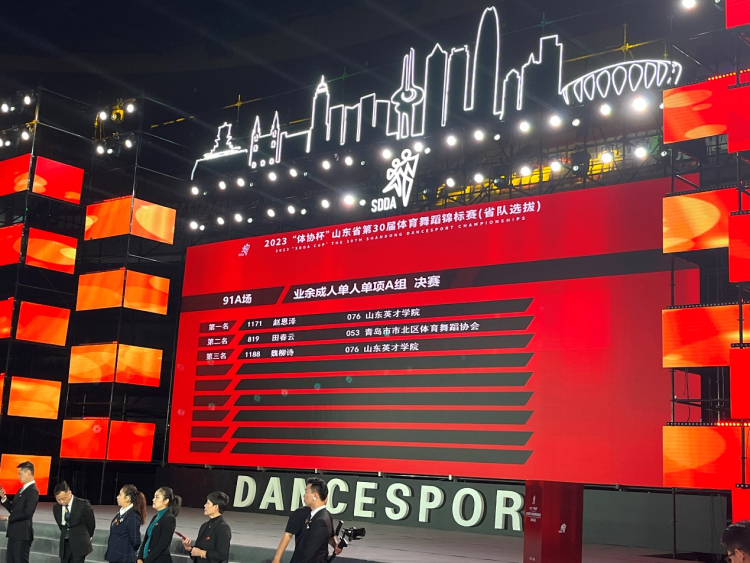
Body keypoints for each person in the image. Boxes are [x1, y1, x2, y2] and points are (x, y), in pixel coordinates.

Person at [0, 461, 40, 563]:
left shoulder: (33, 491)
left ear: (28, 472)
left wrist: (7, 518)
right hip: (14, 533)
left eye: (20, 473)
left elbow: (27, 513)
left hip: (22, 534)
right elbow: (14, 510)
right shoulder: (21, 490)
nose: (19, 476)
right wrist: (4, 499)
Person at [289, 478, 335, 563]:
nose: (304, 495)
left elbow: (309, 554)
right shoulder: (324, 515)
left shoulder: (320, 522)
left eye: (306, 492)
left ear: (315, 496)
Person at [180, 491, 231, 563]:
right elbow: (197, 552)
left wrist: (201, 553)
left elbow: (221, 555)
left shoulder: (223, 528)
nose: (205, 505)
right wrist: (189, 548)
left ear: (216, 507)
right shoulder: (204, 526)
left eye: (208, 503)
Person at [52, 481, 96, 563]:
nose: (61, 502)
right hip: (65, 544)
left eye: (63, 498)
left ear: (70, 493)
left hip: (80, 543)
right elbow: (60, 525)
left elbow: (91, 523)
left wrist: (88, 536)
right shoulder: (56, 508)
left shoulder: (83, 504)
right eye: (58, 499)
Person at [137, 487, 181, 563]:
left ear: (166, 501)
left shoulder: (169, 519)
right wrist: (140, 558)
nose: (153, 500)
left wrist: (146, 561)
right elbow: (146, 539)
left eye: (157, 497)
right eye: (154, 497)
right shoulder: (155, 517)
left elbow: (162, 545)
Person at [105, 484, 147, 563]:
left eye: (120, 495)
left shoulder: (133, 516)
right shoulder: (122, 513)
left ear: (127, 498)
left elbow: (136, 541)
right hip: (115, 556)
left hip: (124, 558)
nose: (117, 497)